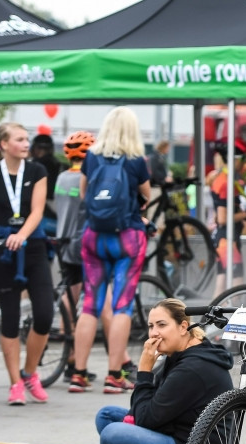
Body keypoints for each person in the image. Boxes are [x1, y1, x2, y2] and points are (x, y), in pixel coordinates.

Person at [77, 298, 234, 444]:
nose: (153, 333)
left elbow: (146, 419)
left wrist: (144, 370)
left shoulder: (193, 368)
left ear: (183, 327)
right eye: (151, 326)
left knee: (112, 434)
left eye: (162, 325)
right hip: (175, 433)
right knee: (106, 416)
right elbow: (143, 411)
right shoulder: (177, 355)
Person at [69, 106, 151, 394]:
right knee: (122, 305)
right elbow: (146, 195)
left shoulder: (91, 157)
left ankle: (78, 374)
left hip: (93, 237)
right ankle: (114, 375)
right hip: (127, 236)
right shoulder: (135, 160)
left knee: (90, 304)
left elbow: (83, 193)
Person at [0, 122, 51, 405]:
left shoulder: (37, 171)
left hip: (33, 246)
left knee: (45, 314)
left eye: (27, 139)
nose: (26, 144)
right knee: (10, 318)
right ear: (3, 145)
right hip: (3, 250)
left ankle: (30, 372)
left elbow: (37, 210)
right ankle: (15, 383)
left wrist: (22, 234)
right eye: (20, 139)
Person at [210, 139, 246, 297]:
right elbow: (222, 218)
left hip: (226, 239)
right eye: (243, 159)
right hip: (227, 240)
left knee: (221, 284)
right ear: (236, 159)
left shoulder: (223, 178)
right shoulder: (225, 182)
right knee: (236, 286)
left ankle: (208, 320)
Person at [30, 132, 61, 236]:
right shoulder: (59, 165)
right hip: (57, 210)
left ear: (35, 149)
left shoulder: (32, 166)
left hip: (39, 213)